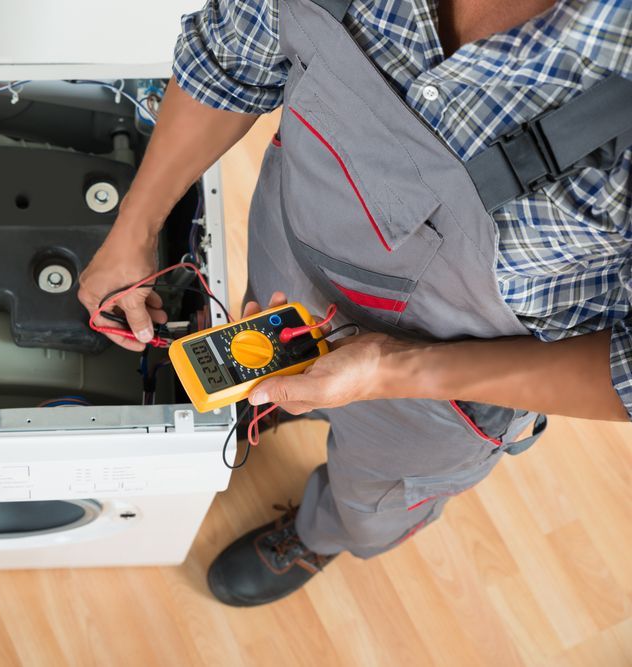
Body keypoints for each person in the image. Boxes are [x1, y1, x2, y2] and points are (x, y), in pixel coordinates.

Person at [78, 0, 632, 607]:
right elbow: (230, 53)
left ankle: (320, 533)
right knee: (255, 359)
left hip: (447, 386)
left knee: (374, 498)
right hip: (290, 265)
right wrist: (133, 231)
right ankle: (271, 410)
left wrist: (393, 366)